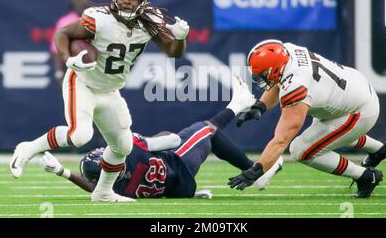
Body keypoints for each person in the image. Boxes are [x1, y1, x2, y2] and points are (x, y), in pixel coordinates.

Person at [10, 0, 190, 203]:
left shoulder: (150, 22)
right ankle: (28, 148)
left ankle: (103, 192)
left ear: (142, 1)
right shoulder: (100, 18)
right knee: (80, 135)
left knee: (123, 146)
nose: (127, 0)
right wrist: (67, 60)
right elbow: (62, 34)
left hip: (110, 90)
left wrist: (181, 38)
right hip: (83, 82)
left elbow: (174, 52)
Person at [39, 76, 284, 199]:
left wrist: (63, 172)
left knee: (205, 135)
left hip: (174, 188)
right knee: (206, 128)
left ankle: (253, 169)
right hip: (178, 165)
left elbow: (94, 188)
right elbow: (172, 140)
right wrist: (147, 142)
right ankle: (238, 106)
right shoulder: (128, 150)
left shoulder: (116, 190)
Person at [229, 40, 386, 198]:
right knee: (324, 132)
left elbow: (281, 140)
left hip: (359, 110)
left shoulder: (296, 86)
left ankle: (366, 176)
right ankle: (379, 150)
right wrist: (260, 106)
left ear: (275, 69)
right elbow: (279, 79)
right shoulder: (287, 51)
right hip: (354, 85)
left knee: (301, 150)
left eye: (263, 74)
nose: (262, 79)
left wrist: (256, 170)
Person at [50, 0, 88, 85]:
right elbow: (57, 50)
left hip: (93, 69)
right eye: (77, 2)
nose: (80, 4)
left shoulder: (95, 19)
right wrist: (59, 73)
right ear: (72, 5)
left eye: (82, 1)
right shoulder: (64, 22)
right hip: (72, 71)